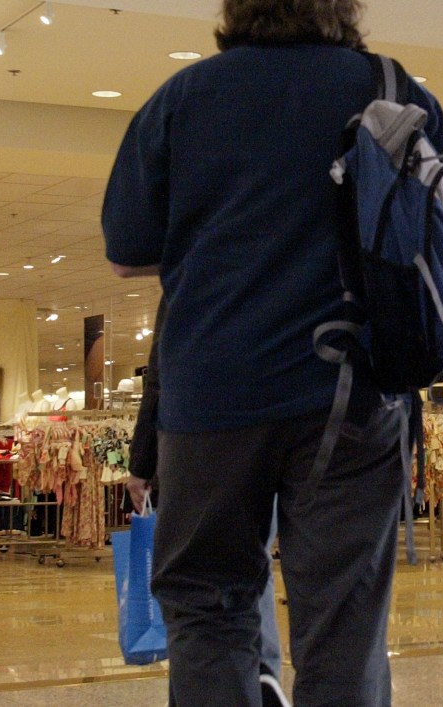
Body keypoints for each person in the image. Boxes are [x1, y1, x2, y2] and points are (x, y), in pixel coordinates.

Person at [102, 0, 443, 707]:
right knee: (343, 625)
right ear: (341, 6)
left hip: (210, 396)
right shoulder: (390, 88)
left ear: (238, 7)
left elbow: (125, 251)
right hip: (350, 390)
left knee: (208, 609)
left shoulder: (183, 97)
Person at [125, 299, 290, 707]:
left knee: (199, 585)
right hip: (306, 421)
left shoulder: (195, 272)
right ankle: (263, 673)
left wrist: (142, 460)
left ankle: (246, 678)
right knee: (265, 569)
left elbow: (162, 368)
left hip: (205, 433)